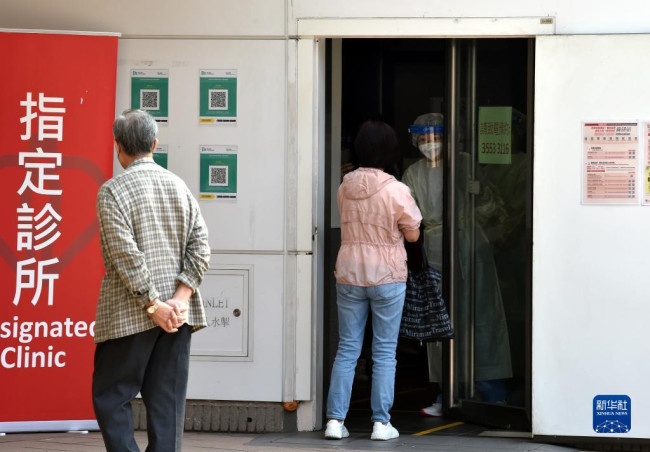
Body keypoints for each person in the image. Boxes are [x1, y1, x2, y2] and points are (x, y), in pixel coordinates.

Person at [92, 109, 211, 451]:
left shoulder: (112, 191)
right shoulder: (179, 185)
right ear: (155, 144)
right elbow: (201, 245)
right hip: (178, 315)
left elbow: (125, 257)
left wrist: (152, 304)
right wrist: (180, 298)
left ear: (118, 146)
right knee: (167, 403)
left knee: (112, 395)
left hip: (130, 314)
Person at [402, 113, 512, 416]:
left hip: (470, 246)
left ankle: (491, 392)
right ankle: (445, 393)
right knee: (440, 323)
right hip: (433, 249)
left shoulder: (464, 162)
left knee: (481, 316)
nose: (429, 145)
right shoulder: (412, 173)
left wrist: (482, 194)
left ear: (447, 139)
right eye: (423, 140)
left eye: (435, 138)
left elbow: (494, 208)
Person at [325, 120, 422, 441]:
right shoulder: (396, 190)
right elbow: (412, 233)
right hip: (386, 275)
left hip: (349, 272)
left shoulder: (344, 188)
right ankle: (381, 423)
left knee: (348, 348)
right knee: (383, 351)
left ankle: (335, 421)